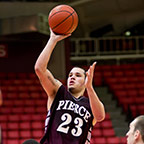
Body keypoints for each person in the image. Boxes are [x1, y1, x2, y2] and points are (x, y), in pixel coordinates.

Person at [34, 29, 105, 144]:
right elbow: (39, 69)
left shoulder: (90, 104)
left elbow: (100, 116)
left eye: (77, 75)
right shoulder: (58, 92)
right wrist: (52, 40)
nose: (72, 77)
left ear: (85, 79)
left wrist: (90, 87)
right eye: (70, 75)